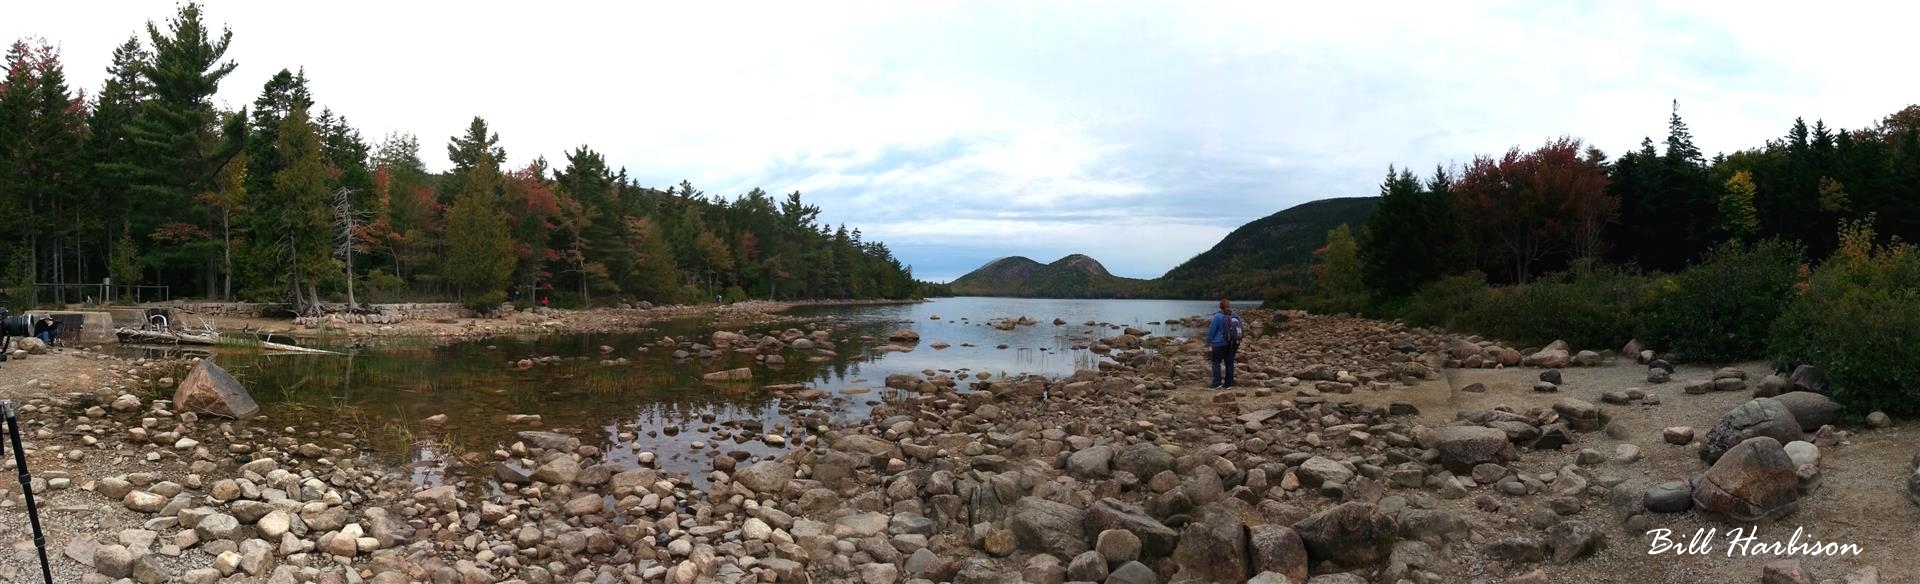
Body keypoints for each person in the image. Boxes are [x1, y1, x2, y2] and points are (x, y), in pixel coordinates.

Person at [1204, 299, 1243, 389]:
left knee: (1216, 362)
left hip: (1219, 344)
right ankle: (1228, 384)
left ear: (1220, 306)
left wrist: (1207, 343)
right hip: (1233, 343)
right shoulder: (1235, 315)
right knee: (1229, 363)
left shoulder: (1217, 316)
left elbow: (1211, 331)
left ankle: (1217, 383)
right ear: (1229, 306)